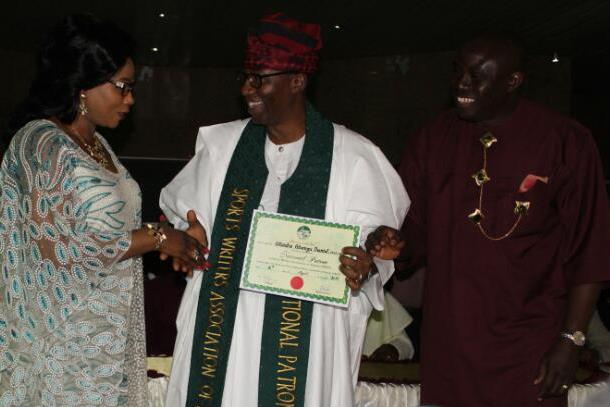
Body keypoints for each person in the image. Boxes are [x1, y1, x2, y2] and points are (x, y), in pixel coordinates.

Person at [159, 12, 409, 407]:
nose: (246, 88)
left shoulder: (354, 157)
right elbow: (181, 214)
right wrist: (187, 235)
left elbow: (375, 250)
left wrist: (368, 264)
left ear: (297, 80)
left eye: (260, 79)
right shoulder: (222, 147)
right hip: (226, 333)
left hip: (307, 339)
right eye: (244, 76)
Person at [370, 34, 610, 406]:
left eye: (477, 75)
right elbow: (412, 234)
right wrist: (392, 243)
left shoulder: (564, 141)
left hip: (530, 351)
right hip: (449, 350)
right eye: (458, 71)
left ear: (513, 81)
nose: (462, 83)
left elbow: (591, 249)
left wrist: (571, 340)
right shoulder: (433, 139)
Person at [0, 14, 206, 406]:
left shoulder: (97, 147)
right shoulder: (41, 142)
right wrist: (159, 237)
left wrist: (172, 240)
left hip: (103, 344)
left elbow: (111, 234)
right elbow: (59, 249)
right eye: (123, 87)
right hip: (60, 346)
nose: (130, 100)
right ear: (82, 84)